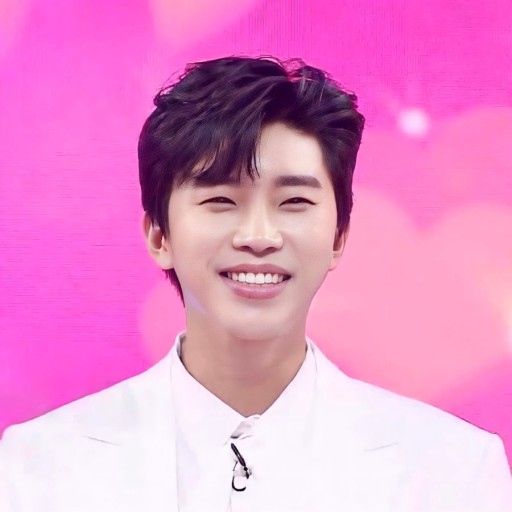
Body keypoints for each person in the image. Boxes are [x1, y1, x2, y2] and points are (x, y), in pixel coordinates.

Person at [1, 56, 511, 511]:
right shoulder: (38, 468)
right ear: (159, 235)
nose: (259, 236)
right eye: (221, 201)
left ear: (338, 236)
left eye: (294, 203)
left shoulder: (451, 472)